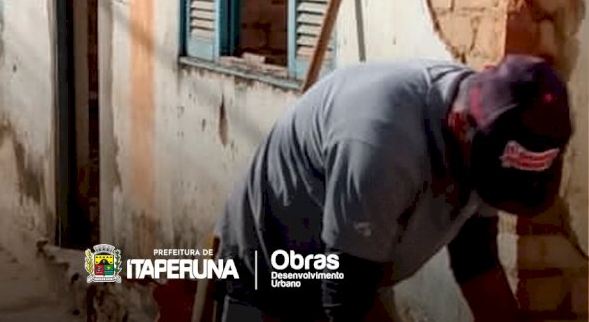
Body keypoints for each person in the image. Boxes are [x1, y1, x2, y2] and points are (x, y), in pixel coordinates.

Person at [214, 55, 573, 322]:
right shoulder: (383, 141)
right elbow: (346, 298)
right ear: (460, 124)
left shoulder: (491, 129)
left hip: (357, 265)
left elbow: (476, 262)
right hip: (274, 262)